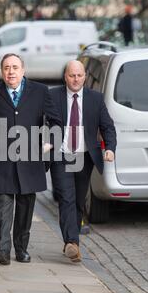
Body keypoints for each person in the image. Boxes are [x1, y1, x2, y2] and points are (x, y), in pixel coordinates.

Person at [0, 53, 62, 265]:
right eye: (6, 68)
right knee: (2, 203)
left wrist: (49, 143)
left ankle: (21, 249)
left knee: (25, 205)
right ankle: (3, 250)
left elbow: (56, 122)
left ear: (23, 70)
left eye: (15, 67)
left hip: (31, 159)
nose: (11, 71)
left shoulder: (40, 91)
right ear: (2, 71)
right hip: (1, 158)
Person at [49, 60, 116, 262]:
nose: (76, 79)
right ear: (65, 77)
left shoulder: (95, 99)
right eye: (72, 75)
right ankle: (72, 243)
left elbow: (108, 127)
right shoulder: (53, 96)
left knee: (79, 200)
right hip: (61, 155)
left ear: (85, 76)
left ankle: (71, 240)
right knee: (66, 198)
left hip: (84, 157)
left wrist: (110, 148)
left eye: (79, 75)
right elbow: (42, 121)